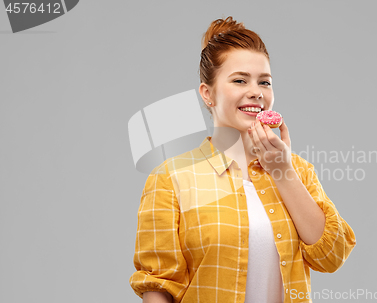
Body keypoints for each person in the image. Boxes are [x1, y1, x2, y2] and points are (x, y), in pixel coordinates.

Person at [129, 16, 356, 303]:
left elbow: (332, 256)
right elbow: (158, 284)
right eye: (239, 80)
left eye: (265, 82)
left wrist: (282, 171)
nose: (256, 92)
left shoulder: (297, 171)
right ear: (208, 93)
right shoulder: (171, 178)